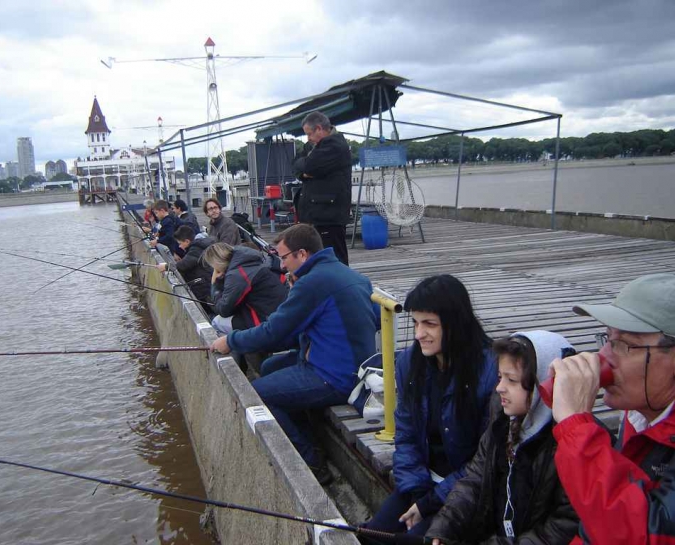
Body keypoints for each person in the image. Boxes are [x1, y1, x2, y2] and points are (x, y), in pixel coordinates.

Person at [210, 224, 377, 484]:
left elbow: (274, 331)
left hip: (336, 376)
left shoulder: (312, 283)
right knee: (269, 368)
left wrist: (231, 340)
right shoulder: (348, 273)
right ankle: (307, 432)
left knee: (258, 393)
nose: (282, 264)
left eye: (284, 257)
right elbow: (375, 320)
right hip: (354, 365)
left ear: (302, 254)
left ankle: (312, 462)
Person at [549, 273, 675, 544]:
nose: (604, 358)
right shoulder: (643, 414)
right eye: (608, 339)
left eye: (625, 345)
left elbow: (647, 536)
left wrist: (577, 428)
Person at [362, 274, 497, 538]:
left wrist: (431, 501)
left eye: (429, 324)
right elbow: (406, 432)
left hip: (469, 490)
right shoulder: (410, 363)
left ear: (456, 325)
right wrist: (417, 491)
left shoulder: (490, 372)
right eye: (415, 322)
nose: (419, 334)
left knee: (414, 539)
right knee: (372, 535)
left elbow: (486, 460)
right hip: (423, 484)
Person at [426, 330, 579, 545]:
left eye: (512, 380)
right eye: (500, 377)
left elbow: (564, 527)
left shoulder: (573, 444)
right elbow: (475, 481)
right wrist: (444, 527)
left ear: (548, 384)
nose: (499, 388)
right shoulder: (503, 422)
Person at [292, 111, 352, 265]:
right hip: (318, 214)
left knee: (334, 258)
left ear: (319, 128)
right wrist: (304, 172)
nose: (308, 139)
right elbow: (296, 165)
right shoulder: (315, 146)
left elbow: (309, 165)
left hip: (329, 215)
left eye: (309, 134)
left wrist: (306, 168)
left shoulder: (335, 145)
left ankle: (341, 287)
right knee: (318, 257)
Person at [203, 242, 287, 336]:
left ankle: (241, 347)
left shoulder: (237, 274)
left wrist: (214, 284)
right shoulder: (248, 262)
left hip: (266, 324)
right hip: (277, 316)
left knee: (216, 322)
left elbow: (224, 310)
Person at [156, 225, 213, 303]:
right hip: (205, 285)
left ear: (187, 241)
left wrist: (166, 266)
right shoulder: (197, 247)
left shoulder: (196, 249)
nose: (179, 246)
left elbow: (183, 265)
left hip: (204, 289)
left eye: (180, 243)